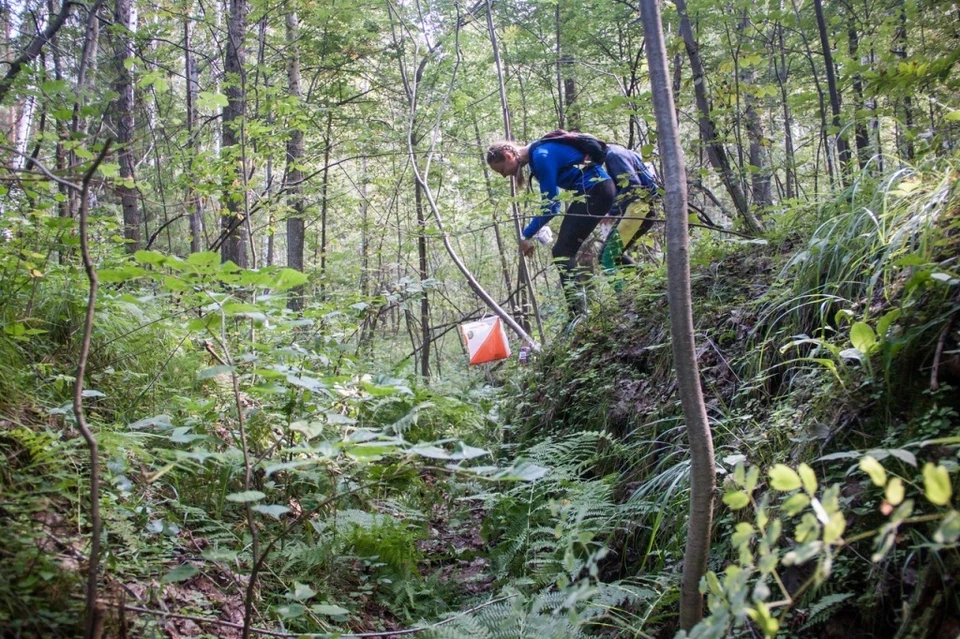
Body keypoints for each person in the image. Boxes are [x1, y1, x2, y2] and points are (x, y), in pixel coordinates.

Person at [486, 136, 616, 312]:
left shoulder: (541, 156)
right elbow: (552, 201)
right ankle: (579, 312)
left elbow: (552, 205)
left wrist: (526, 234)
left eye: (501, 170)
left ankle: (578, 314)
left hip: (597, 190)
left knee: (563, 251)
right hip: (596, 190)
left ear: (508, 156)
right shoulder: (537, 156)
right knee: (562, 250)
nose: (503, 175)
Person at [601, 144, 661, 270]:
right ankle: (645, 285)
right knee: (613, 255)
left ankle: (625, 289)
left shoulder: (614, 155)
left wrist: (612, 212)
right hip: (643, 207)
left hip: (639, 207)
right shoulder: (619, 152)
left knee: (608, 257)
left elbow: (633, 185)